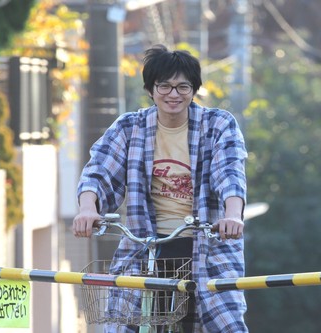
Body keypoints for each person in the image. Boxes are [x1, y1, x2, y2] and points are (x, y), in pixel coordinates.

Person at [72, 44, 249, 333]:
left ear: (194, 90)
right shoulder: (130, 127)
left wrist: (232, 215)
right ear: (150, 89)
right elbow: (99, 169)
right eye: (164, 86)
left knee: (226, 321)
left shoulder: (218, 124)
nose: (173, 94)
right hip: (144, 244)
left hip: (207, 244)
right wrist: (87, 209)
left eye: (183, 87)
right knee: (120, 320)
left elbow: (229, 172)